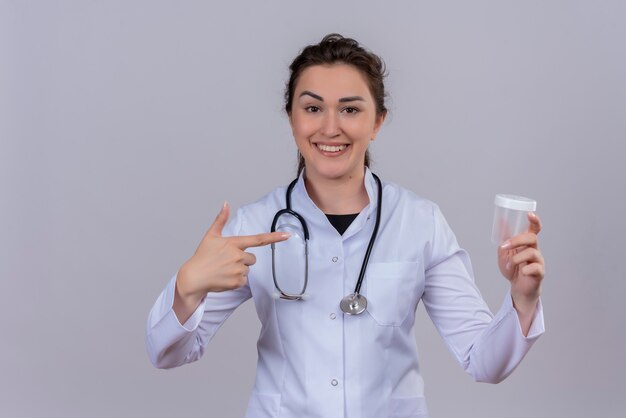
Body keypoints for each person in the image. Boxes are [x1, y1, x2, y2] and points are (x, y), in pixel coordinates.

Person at [145, 34, 545, 418]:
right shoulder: (254, 226)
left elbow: (484, 362)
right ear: (291, 118)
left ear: (377, 122)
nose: (330, 127)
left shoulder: (419, 223)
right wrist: (186, 289)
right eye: (313, 108)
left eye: (350, 109)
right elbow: (168, 354)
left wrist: (522, 300)